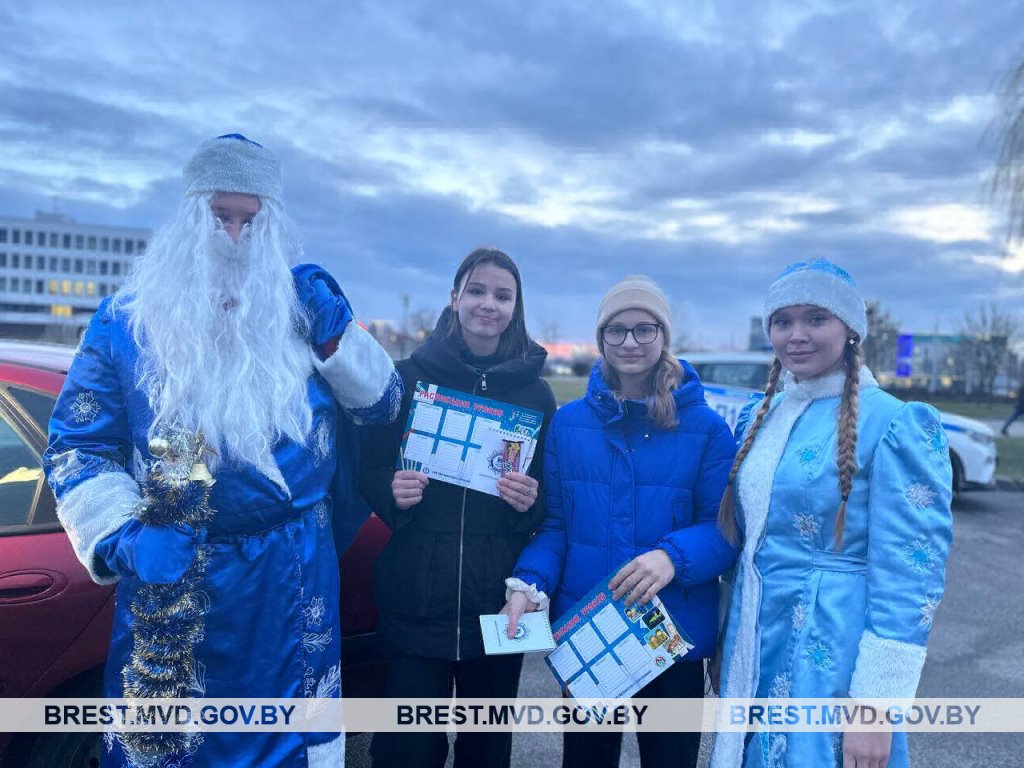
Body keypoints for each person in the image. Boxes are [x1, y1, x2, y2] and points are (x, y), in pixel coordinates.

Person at [44, 133, 403, 768]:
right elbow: (79, 444)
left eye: (251, 220)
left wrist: (338, 337)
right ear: (190, 218)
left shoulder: (300, 313)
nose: (236, 236)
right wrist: (125, 536)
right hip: (179, 581)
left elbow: (382, 406)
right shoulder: (125, 323)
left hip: (293, 582)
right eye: (220, 216)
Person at [710, 260, 953, 768]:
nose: (796, 335)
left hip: (830, 649)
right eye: (783, 321)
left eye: (816, 318)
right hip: (756, 640)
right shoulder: (762, 416)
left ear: (850, 330)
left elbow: (911, 574)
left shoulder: (893, 422)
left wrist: (876, 705)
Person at [502, 275, 739, 768]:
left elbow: (724, 530)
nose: (630, 342)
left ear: (663, 336)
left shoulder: (708, 429)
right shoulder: (568, 424)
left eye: (644, 329)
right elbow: (558, 526)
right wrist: (529, 581)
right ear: (601, 338)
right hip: (591, 631)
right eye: (617, 330)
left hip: (673, 635)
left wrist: (672, 557)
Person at [359, 247, 557, 768]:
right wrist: (389, 490)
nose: (488, 303)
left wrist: (528, 502)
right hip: (413, 596)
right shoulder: (406, 379)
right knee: (406, 750)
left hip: (496, 604)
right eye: (477, 290)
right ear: (454, 297)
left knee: (486, 750)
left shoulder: (536, 395)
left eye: (502, 295)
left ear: (515, 307)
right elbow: (369, 467)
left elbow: (546, 499)